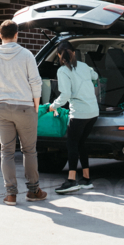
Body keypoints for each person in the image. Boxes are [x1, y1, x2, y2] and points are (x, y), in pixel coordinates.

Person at [0, 20, 47, 205]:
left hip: (1, 108)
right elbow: (36, 82)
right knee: (29, 151)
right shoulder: (26, 55)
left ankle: (10, 195)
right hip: (25, 107)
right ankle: (33, 191)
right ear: (17, 34)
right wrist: (36, 106)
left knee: (6, 152)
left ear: (0, 35)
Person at [49, 40, 100, 194]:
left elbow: (65, 95)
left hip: (79, 113)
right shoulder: (84, 66)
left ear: (59, 55)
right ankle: (86, 179)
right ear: (73, 52)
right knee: (81, 143)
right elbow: (96, 76)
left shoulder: (62, 71)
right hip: (93, 112)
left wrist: (53, 106)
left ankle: (71, 181)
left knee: (72, 144)